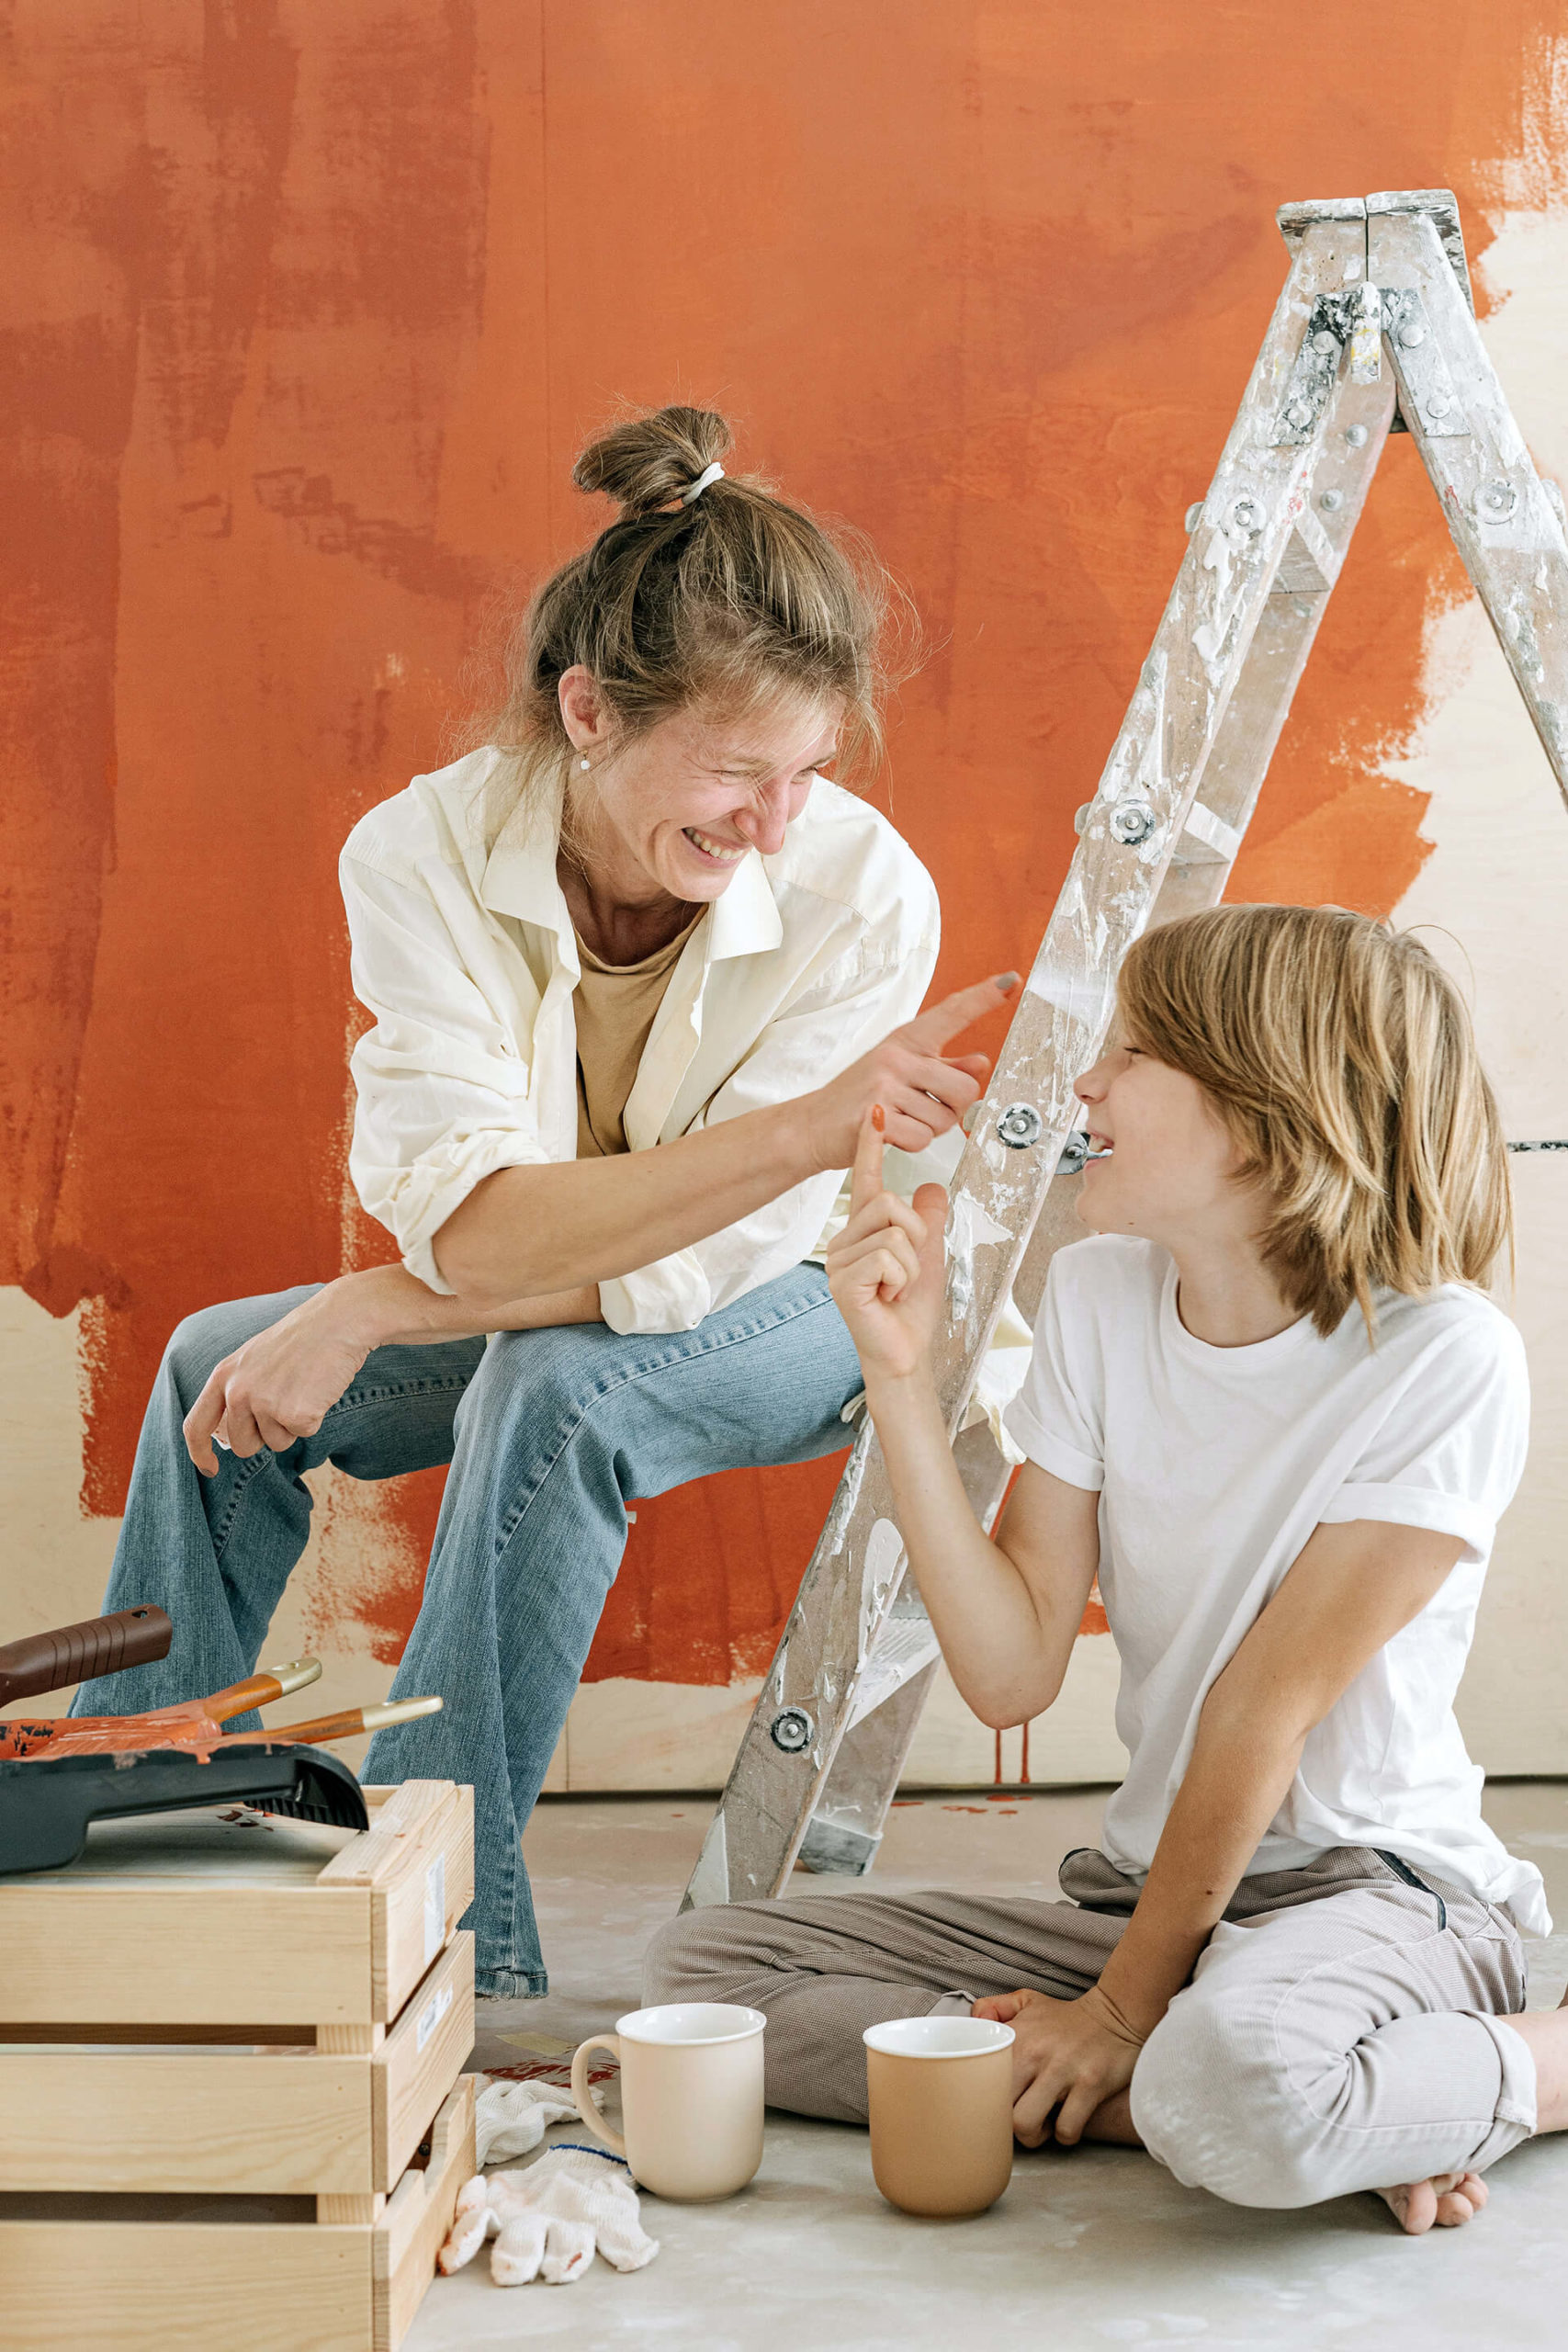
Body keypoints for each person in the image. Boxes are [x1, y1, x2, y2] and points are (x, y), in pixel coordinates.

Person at [74, 404, 1016, 1996]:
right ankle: (105, 1852)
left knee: (556, 1389)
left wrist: (393, 1295)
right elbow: (491, 1230)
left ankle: (452, 1946)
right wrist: (378, 1294)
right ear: (587, 710)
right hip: (553, 1300)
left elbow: (696, 1272)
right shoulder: (422, 853)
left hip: (831, 1307)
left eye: (803, 775)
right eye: (732, 771)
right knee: (209, 1369)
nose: (770, 826)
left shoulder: (865, 891)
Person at [646, 901, 1568, 2234]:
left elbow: (1262, 1708)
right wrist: (901, 1384)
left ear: (1263, 1110)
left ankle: (1477, 2068)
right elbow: (1011, 1671)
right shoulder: (1096, 1297)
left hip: (1372, 1892)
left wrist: (1126, 2006)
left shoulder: (1444, 1356)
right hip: (1159, 1903)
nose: (1086, 1083)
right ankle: (1281, 2101)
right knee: (707, 1980)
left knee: (1231, 2065)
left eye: (1133, 1055)